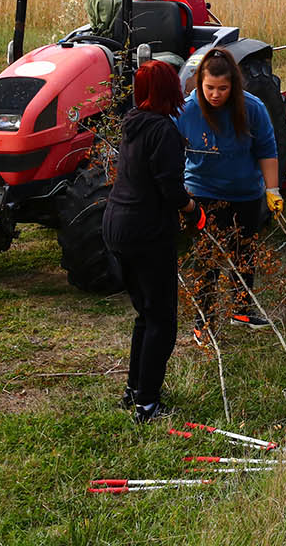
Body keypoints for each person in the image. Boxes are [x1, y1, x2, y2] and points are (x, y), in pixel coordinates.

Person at [103, 60, 199, 424]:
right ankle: (148, 405)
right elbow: (171, 190)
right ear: (169, 90)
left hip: (116, 225)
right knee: (163, 321)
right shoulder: (164, 131)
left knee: (145, 314)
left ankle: (135, 390)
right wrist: (194, 211)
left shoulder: (132, 124)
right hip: (146, 232)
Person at [175, 46, 280, 338]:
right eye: (209, 87)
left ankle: (241, 311)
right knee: (206, 259)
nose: (215, 94)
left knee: (244, 254)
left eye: (223, 88)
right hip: (203, 193)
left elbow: (267, 150)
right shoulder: (186, 111)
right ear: (199, 83)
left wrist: (273, 190)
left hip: (245, 193)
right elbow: (169, 149)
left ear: (233, 85)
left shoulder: (252, 108)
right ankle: (204, 323)